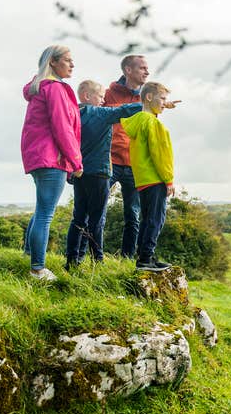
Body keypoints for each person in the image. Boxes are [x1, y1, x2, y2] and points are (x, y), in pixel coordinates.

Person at [64, 80, 143, 269]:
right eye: (100, 97)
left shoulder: (71, 114)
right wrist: (152, 103)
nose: (103, 101)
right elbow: (125, 110)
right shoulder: (99, 114)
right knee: (96, 220)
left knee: (78, 218)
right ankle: (97, 261)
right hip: (99, 174)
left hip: (79, 172)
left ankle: (72, 261)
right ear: (87, 96)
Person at [21, 45, 82, 281]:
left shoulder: (40, 88)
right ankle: (37, 268)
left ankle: (29, 254)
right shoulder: (55, 89)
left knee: (41, 209)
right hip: (52, 157)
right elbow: (62, 127)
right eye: (68, 60)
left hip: (39, 156)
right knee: (46, 214)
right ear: (53, 62)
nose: (72, 64)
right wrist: (75, 160)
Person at [120, 82, 176, 271]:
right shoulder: (152, 122)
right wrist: (168, 179)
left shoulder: (139, 120)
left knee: (147, 219)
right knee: (156, 219)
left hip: (142, 179)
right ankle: (146, 259)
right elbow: (160, 153)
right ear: (149, 97)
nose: (164, 103)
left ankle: (144, 256)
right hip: (155, 178)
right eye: (162, 99)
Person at [104, 55, 150, 258]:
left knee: (133, 215)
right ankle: (94, 257)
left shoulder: (147, 98)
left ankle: (127, 258)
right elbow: (98, 116)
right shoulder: (108, 94)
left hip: (134, 164)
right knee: (97, 211)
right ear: (128, 70)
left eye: (147, 68)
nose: (147, 72)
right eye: (142, 68)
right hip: (110, 161)